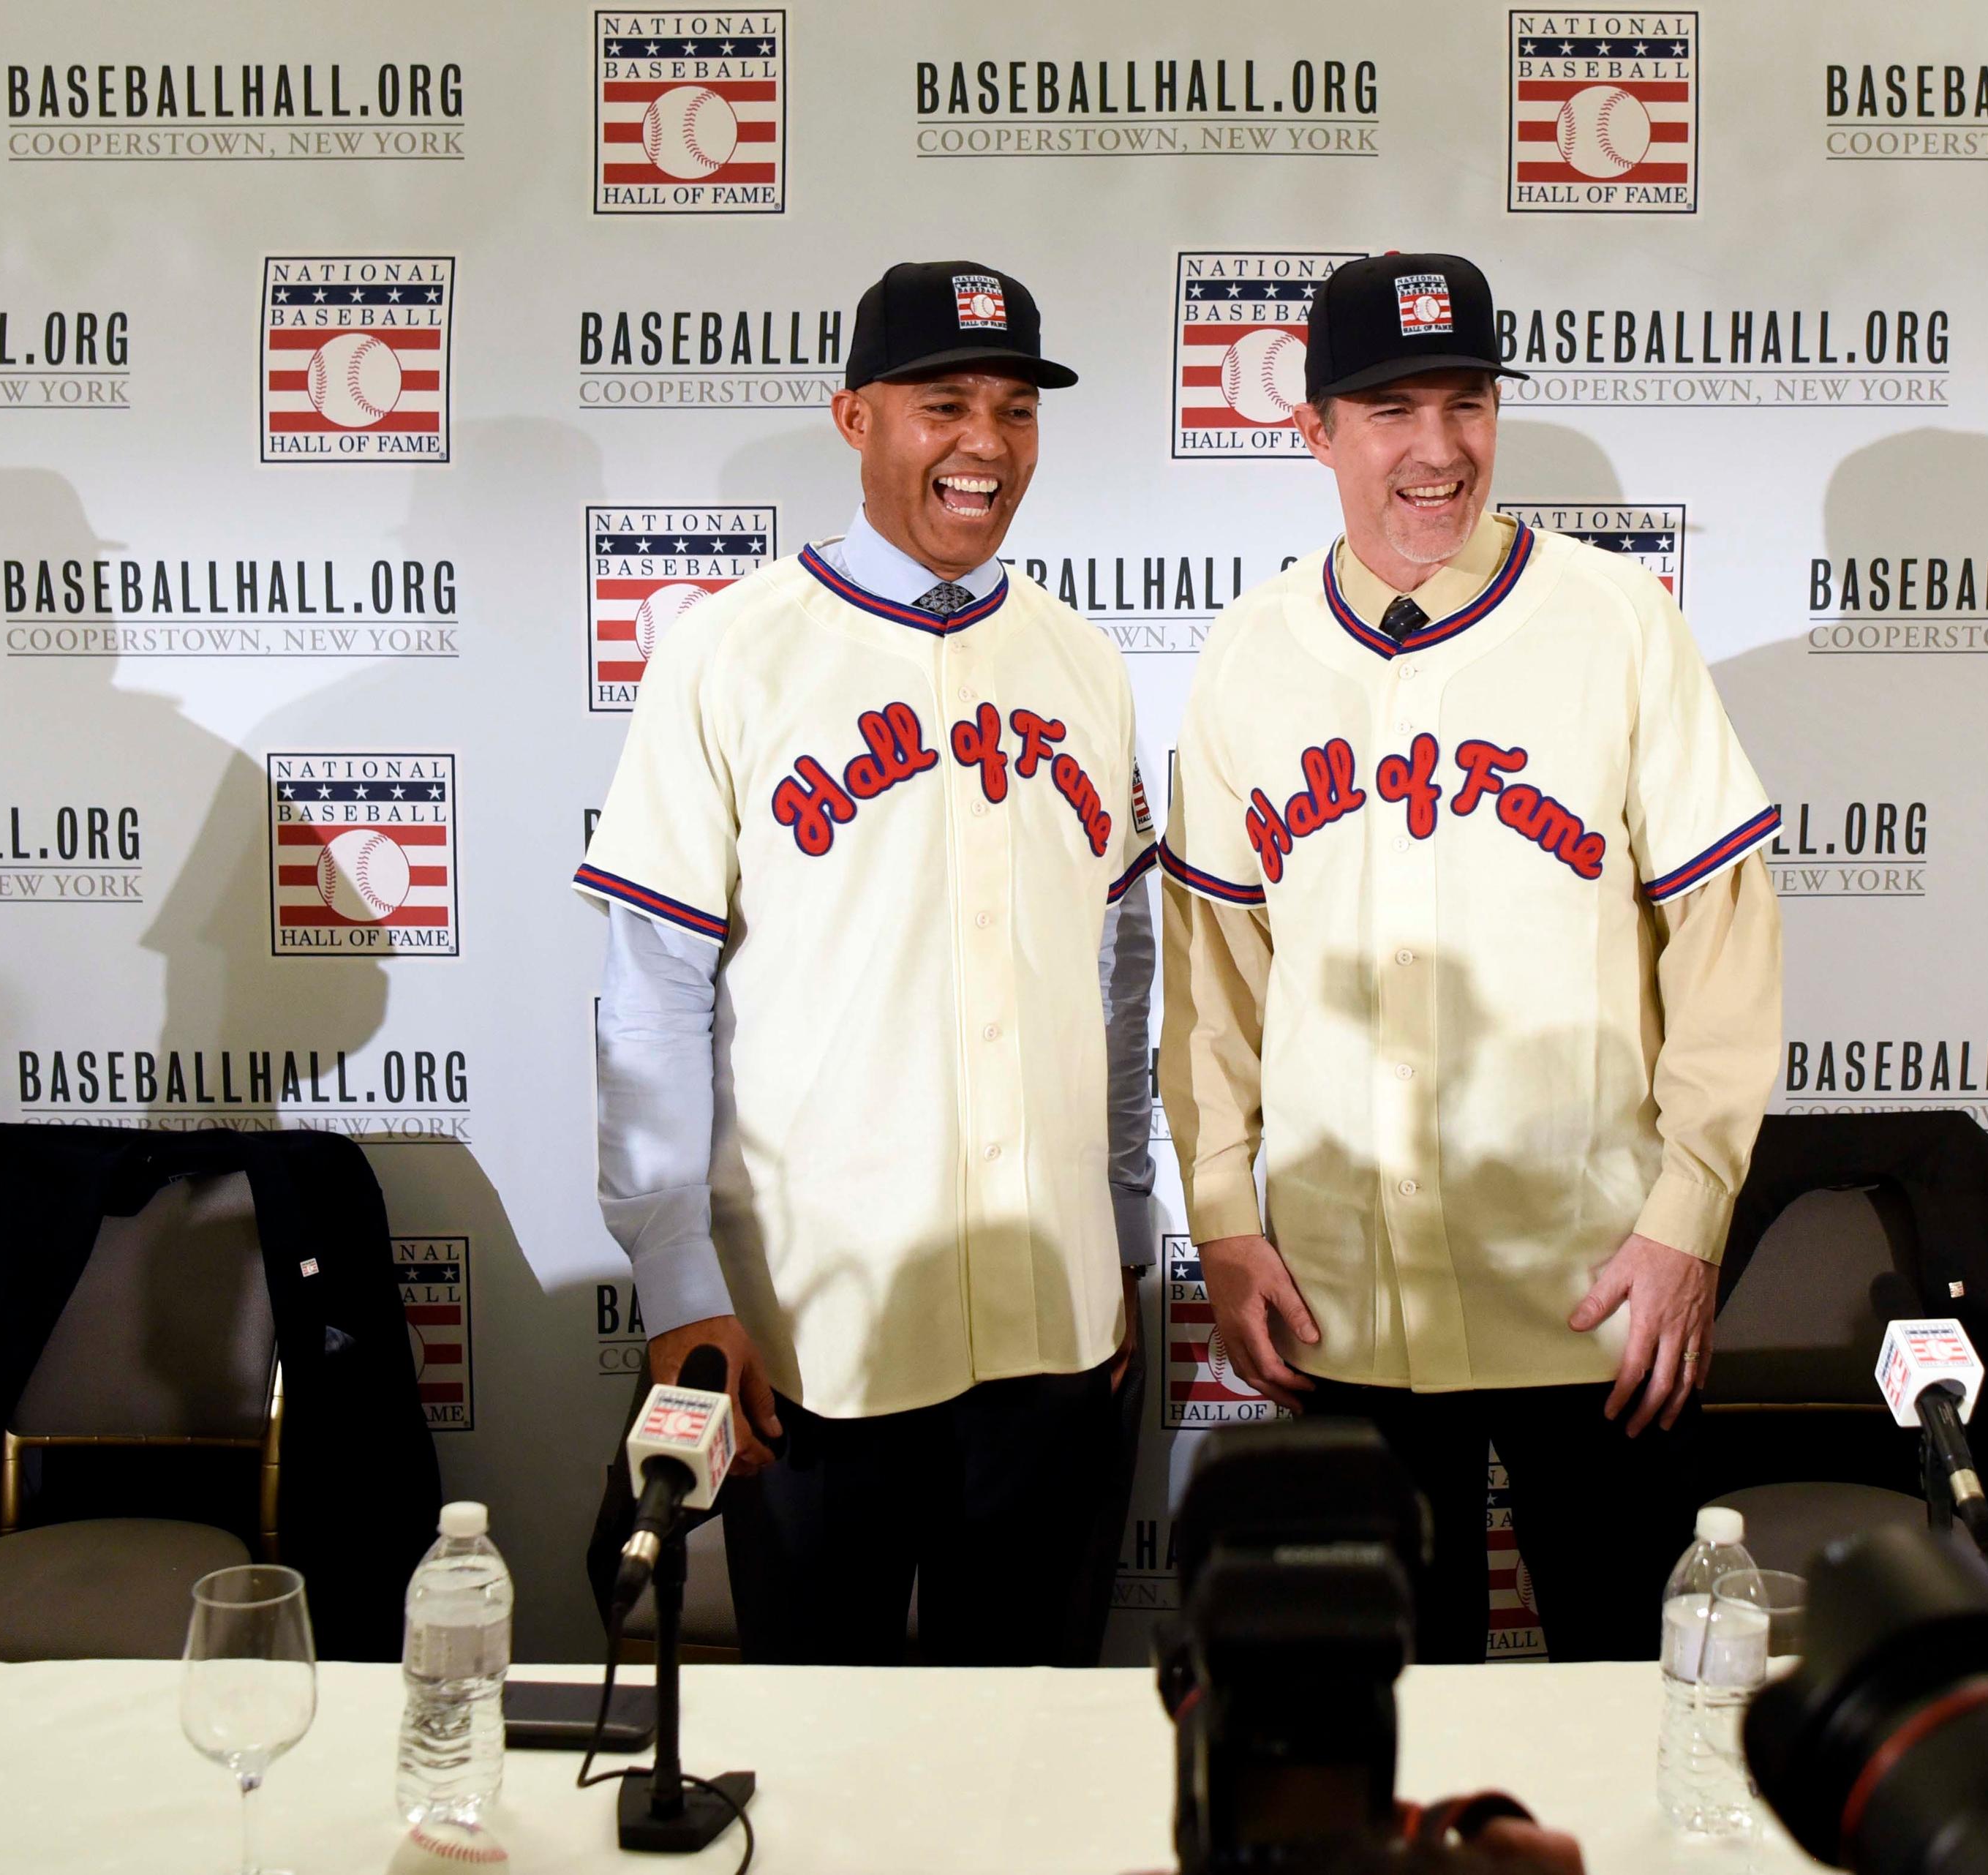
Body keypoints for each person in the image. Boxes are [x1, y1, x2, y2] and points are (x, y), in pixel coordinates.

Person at [1158, 252, 1782, 1664]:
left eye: (1466, 401)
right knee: (1387, 1711)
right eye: (1390, 410)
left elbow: (1726, 939)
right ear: (1313, 429)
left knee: (1636, 1691)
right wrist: (1222, 1209)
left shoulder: (1617, 621)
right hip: (1344, 1289)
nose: (1437, 450)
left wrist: (1688, 1215)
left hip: (1597, 1287)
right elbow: (1215, 973)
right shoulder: (1248, 653)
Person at [579, 260, 1157, 1665]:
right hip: (813, 1330)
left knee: (1023, 1747)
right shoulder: (729, 653)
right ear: (854, 418)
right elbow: (650, 986)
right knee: (816, 1746)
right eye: (942, 402)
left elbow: (1122, 973)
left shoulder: (1084, 661)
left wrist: (1126, 1242)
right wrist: (676, 1282)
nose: (985, 443)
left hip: (1056, 1322)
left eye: (1016, 408)